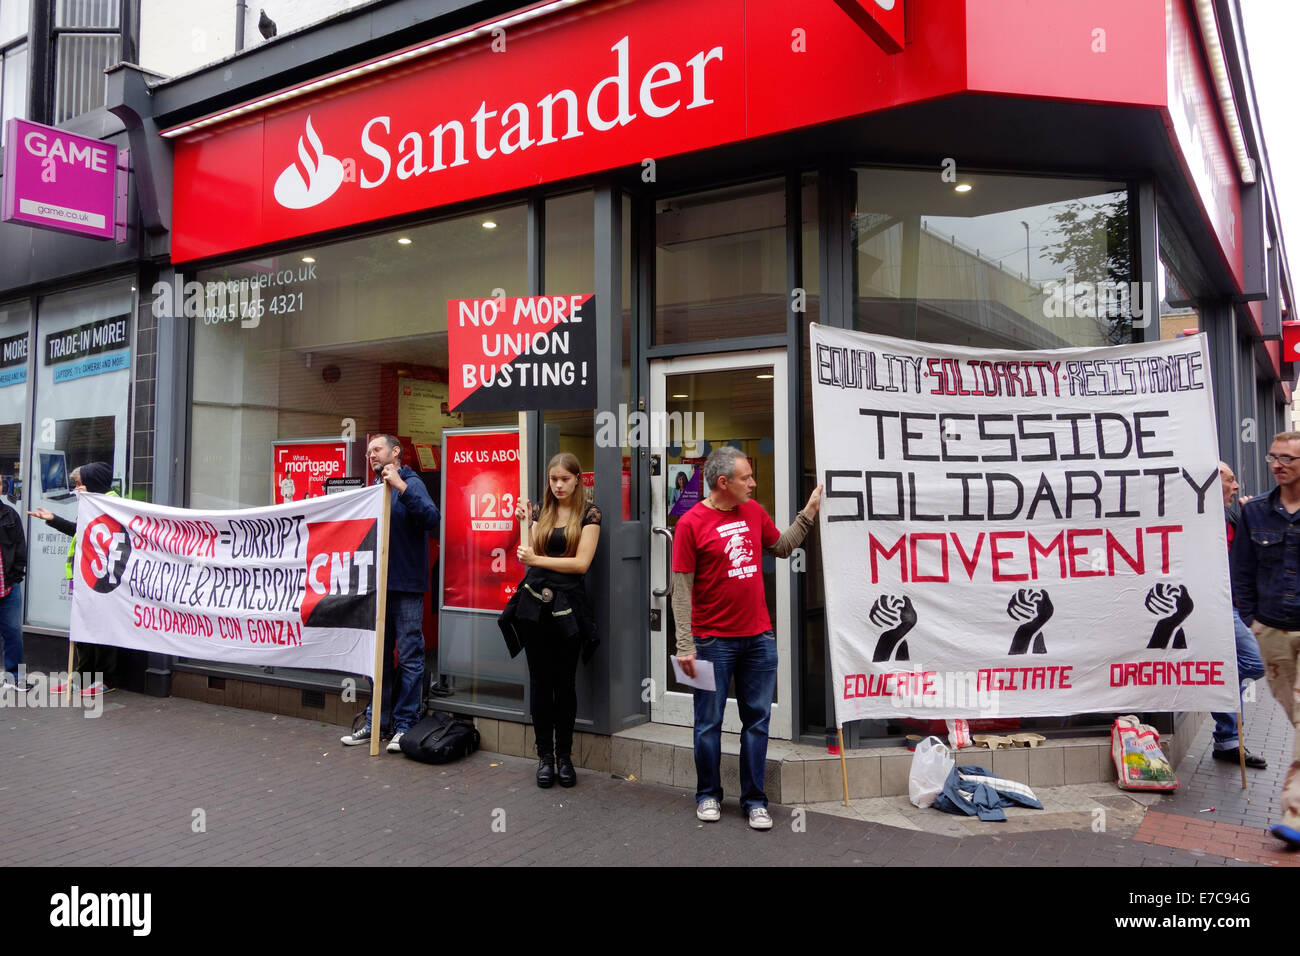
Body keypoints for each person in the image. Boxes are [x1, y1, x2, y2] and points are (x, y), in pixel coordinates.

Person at [672, 445, 821, 830]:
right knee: (708, 723)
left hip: (758, 638)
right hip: (710, 643)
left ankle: (755, 801)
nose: (753, 484)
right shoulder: (690, 524)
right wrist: (684, 645)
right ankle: (708, 794)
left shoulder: (753, 512)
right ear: (724, 483)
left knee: (757, 722)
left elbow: (783, 547)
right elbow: (681, 588)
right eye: (746, 478)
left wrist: (808, 514)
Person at [499, 453, 601, 788]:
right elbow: (525, 555)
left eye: (564, 480)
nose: (558, 485)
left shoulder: (590, 514)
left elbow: (581, 564)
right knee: (540, 684)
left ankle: (566, 758)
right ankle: (545, 758)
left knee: (565, 685)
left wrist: (536, 557)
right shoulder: (539, 513)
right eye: (553, 479)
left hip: (568, 609)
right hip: (534, 608)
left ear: (577, 481)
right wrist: (524, 523)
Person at [340, 434, 441, 752]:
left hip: (406, 585)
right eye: (368, 451)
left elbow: (431, 518)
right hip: (376, 585)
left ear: (395, 452)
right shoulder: (370, 490)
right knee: (376, 657)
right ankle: (376, 724)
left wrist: (401, 486)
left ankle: (405, 725)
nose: (371, 455)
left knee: (410, 655)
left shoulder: (411, 482)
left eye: (377, 449)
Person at [1229, 433, 1300, 849]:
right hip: (1270, 630)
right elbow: (1243, 570)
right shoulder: (1255, 512)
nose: (1278, 464)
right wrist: (1251, 620)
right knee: (1294, 718)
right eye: (1275, 457)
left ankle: (1295, 812)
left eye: (1288, 458)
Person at [28, 461, 117, 696]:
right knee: (83, 628)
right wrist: (53, 518)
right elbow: (80, 532)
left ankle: (104, 679)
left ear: (93, 484)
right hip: (83, 578)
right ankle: (79, 678)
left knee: (103, 629)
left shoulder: (112, 506)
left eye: (79, 484)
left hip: (103, 580)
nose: (76, 489)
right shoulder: (92, 504)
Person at [1211, 461, 1267, 768]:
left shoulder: (1235, 517)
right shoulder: (1202, 520)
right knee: (1253, 663)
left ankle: (1228, 739)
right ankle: (1226, 733)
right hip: (1215, 608)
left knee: (1230, 670)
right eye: (1230, 480)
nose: (1237, 486)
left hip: (1233, 605)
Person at [0, 499, 27, 693]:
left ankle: (15, 678)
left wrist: (16, 575)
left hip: (7, 585)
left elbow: (20, 546)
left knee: (13, 633)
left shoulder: (9, 514)